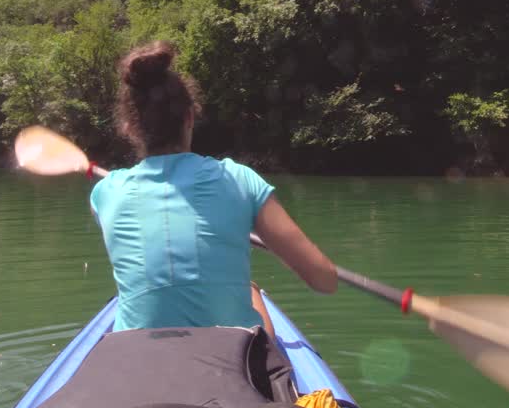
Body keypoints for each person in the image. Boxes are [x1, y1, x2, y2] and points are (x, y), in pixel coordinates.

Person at [89, 40, 337, 335]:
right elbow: (324, 280)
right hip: (228, 364)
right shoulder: (240, 180)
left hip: (139, 364)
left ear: (129, 129)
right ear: (190, 117)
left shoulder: (106, 193)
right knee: (251, 292)